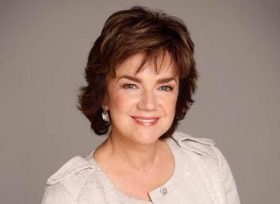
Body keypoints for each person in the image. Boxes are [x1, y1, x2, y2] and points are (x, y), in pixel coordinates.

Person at [41, 6, 240, 204]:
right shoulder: (72, 194)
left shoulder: (208, 163)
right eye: (131, 85)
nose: (149, 104)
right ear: (104, 95)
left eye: (164, 87)